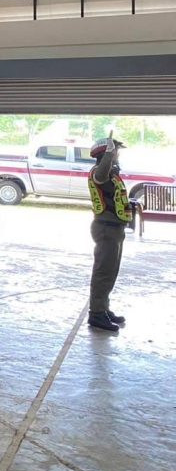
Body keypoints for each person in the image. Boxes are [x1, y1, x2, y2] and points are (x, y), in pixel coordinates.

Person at [87, 133, 132, 332]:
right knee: (103, 273)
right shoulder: (99, 171)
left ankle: (103, 308)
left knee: (111, 271)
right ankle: (96, 314)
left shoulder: (111, 173)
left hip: (114, 228)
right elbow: (101, 175)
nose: (118, 155)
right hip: (106, 229)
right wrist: (108, 153)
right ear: (105, 154)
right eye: (116, 152)